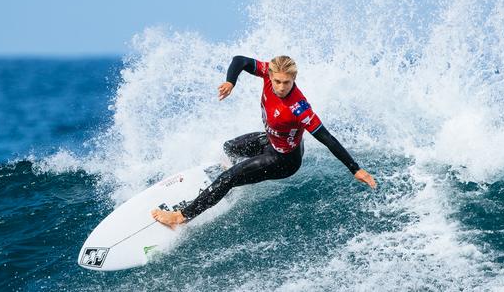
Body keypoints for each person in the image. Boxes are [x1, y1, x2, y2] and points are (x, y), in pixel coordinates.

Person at [151, 55, 376, 229]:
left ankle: (181, 216)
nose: (280, 87)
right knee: (229, 148)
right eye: (277, 81)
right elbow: (239, 60)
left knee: (229, 177)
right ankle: (228, 184)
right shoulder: (268, 73)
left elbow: (327, 138)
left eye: (286, 83)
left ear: (294, 79)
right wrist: (231, 82)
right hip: (270, 140)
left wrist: (355, 169)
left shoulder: (299, 108)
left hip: (283, 160)